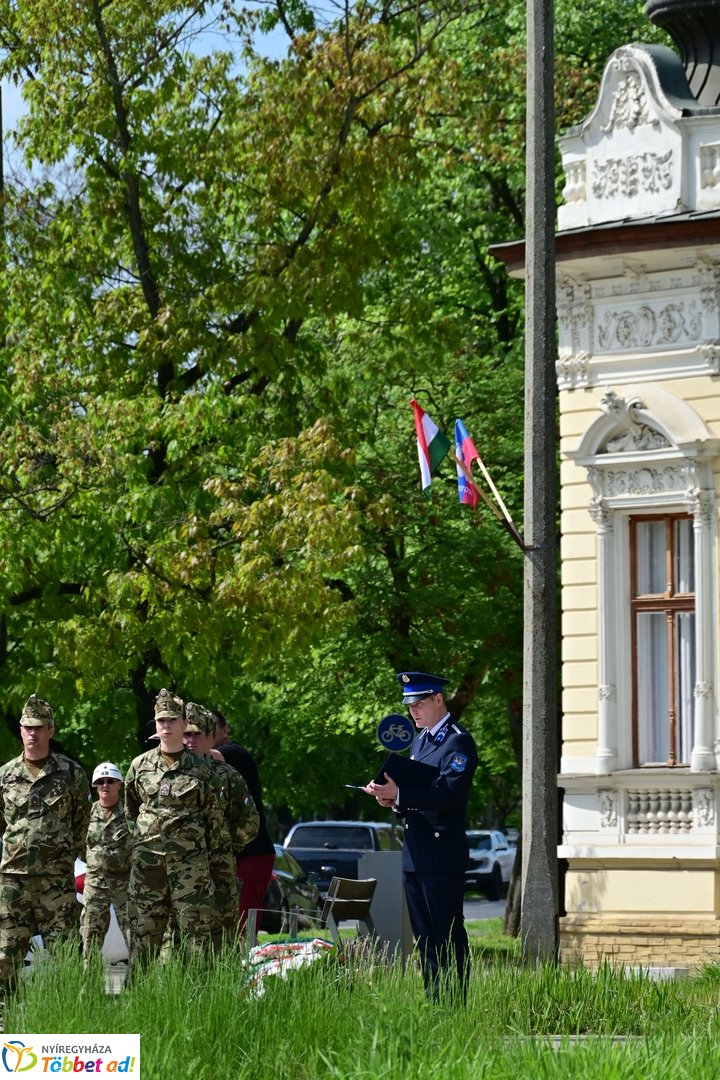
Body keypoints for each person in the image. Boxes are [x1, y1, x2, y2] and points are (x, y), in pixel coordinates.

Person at [365, 671, 477, 1002]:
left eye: (419, 704)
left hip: (442, 853)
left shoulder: (457, 740)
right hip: (416, 851)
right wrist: (392, 799)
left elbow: (447, 795)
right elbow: (416, 795)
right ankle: (434, 999)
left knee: (446, 931)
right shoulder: (421, 740)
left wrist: (402, 794)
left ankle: (454, 1002)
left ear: (438, 700)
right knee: (425, 936)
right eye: (409, 706)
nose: (413, 712)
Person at [124, 689, 229, 969]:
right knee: (143, 937)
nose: (166, 726)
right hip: (149, 869)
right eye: (161, 721)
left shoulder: (203, 770)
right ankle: (138, 1001)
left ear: (183, 723)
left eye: (172, 720)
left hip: (190, 871)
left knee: (197, 942)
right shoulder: (139, 766)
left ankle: (197, 1002)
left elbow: (214, 822)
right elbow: (131, 811)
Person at [0, 695, 91, 991]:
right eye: (27, 727)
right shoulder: (5, 775)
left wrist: (63, 859)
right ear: (21, 730)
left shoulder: (71, 773)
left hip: (55, 882)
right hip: (14, 881)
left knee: (65, 951)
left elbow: (82, 825)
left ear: (51, 730)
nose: (32, 733)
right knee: (6, 954)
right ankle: (5, 1021)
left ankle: (66, 1017)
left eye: (39, 727)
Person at [182, 702, 259, 944]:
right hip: (183, 870)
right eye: (187, 734)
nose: (191, 740)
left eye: (198, 734)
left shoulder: (227, 774)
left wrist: (225, 845)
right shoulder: (171, 775)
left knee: (227, 935)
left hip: (220, 867)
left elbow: (249, 820)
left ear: (210, 736)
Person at [211, 709, 276, 931]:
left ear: (225, 731)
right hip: (230, 853)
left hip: (252, 852)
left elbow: (208, 755)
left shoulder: (234, 753)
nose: (198, 735)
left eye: (207, 728)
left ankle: (246, 962)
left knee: (243, 918)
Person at [81, 762, 132, 961]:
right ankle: (89, 987)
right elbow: (79, 843)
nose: (105, 785)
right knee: (90, 935)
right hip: (95, 883)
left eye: (110, 781)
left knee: (133, 933)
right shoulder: (86, 814)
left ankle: (138, 983)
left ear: (119, 783)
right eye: (100, 782)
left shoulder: (131, 814)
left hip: (124, 882)